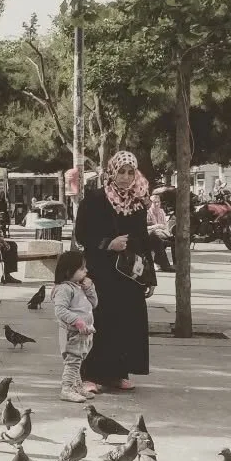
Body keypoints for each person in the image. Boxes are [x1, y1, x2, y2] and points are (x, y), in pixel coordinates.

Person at [74, 150, 156, 392]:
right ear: (112, 172)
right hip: (102, 271)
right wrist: (108, 243)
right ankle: (90, 375)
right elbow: (82, 235)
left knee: (126, 322)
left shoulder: (138, 202)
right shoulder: (95, 199)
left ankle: (117, 373)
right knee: (100, 320)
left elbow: (143, 239)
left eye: (131, 172)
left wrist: (149, 276)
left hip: (130, 274)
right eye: (121, 171)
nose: (126, 176)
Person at [52, 250, 98, 403]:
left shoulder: (77, 287)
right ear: (69, 271)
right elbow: (60, 310)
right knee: (73, 361)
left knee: (78, 360)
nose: (86, 270)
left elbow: (94, 303)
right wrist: (76, 321)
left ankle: (76, 385)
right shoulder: (65, 289)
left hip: (84, 332)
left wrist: (89, 288)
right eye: (81, 268)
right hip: (73, 332)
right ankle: (67, 388)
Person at [146, 192, 174, 272]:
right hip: (152, 234)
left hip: (162, 233)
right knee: (160, 242)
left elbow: (165, 225)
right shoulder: (147, 213)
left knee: (175, 240)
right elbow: (145, 227)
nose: (157, 204)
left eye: (158, 202)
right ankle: (160, 264)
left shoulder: (161, 211)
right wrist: (157, 226)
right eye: (155, 202)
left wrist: (161, 229)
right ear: (151, 203)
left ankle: (176, 263)